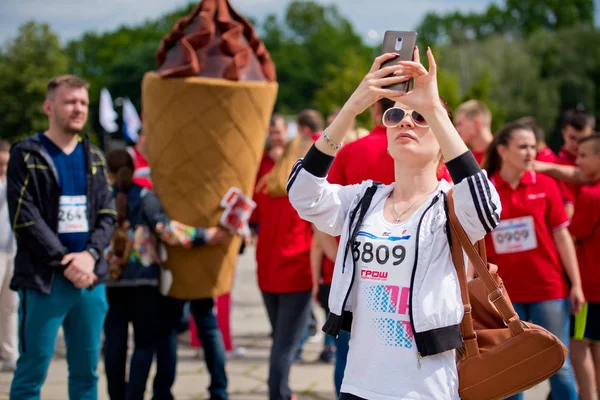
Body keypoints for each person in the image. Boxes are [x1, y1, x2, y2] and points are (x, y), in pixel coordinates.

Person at [288, 47, 501, 399]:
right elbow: (302, 194)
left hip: (424, 389)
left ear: (442, 144)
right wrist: (352, 107)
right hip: (359, 384)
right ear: (385, 141)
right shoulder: (363, 200)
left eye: (420, 119)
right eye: (396, 115)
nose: (405, 121)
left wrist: (434, 108)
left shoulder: (449, 205)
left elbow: (486, 207)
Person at [6, 75, 116, 399]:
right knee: (31, 372)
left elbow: (108, 214)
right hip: (44, 279)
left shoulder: (94, 157)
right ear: (48, 107)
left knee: (87, 373)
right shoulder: (26, 154)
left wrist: (90, 255)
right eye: (70, 102)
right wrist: (66, 260)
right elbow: (24, 218)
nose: (78, 108)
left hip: (90, 280)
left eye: (83, 102)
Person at [102, 149, 227, 400]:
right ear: (134, 167)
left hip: (112, 281)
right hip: (145, 280)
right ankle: (134, 395)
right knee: (145, 343)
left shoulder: (103, 199)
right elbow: (166, 229)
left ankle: (116, 395)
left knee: (114, 342)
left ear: (109, 172)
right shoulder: (146, 197)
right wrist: (204, 235)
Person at [482, 121, 585, 400]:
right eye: (522, 146)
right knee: (513, 367)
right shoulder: (487, 190)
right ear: (502, 150)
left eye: (532, 147)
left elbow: (563, 238)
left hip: (548, 290)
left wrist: (575, 284)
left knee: (559, 364)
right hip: (504, 295)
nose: (530, 153)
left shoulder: (547, 185)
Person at [254, 134, 315, 400]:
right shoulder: (306, 191)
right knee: (286, 345)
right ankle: (278, 393)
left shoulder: (265, 186)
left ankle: (281, 391)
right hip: (295, 272)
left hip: (267, 271)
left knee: (280, 341)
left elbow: (254, 221)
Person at [568, 134, 600, 400]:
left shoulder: (591, 196)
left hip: (590, 287)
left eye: (584, 155)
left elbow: (574, 235)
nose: (577, 161)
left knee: (578, 345)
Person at [0, 140, 18, 372]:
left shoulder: (13, 183)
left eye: (7, 163)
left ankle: (9, 351)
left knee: (11, 305)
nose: (4, 168)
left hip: (13, 250)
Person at [454, 99, 493, 165]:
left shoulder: (503, 154)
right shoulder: (465, 159)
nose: (456, 130)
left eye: (460, 124)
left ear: (477, 123)